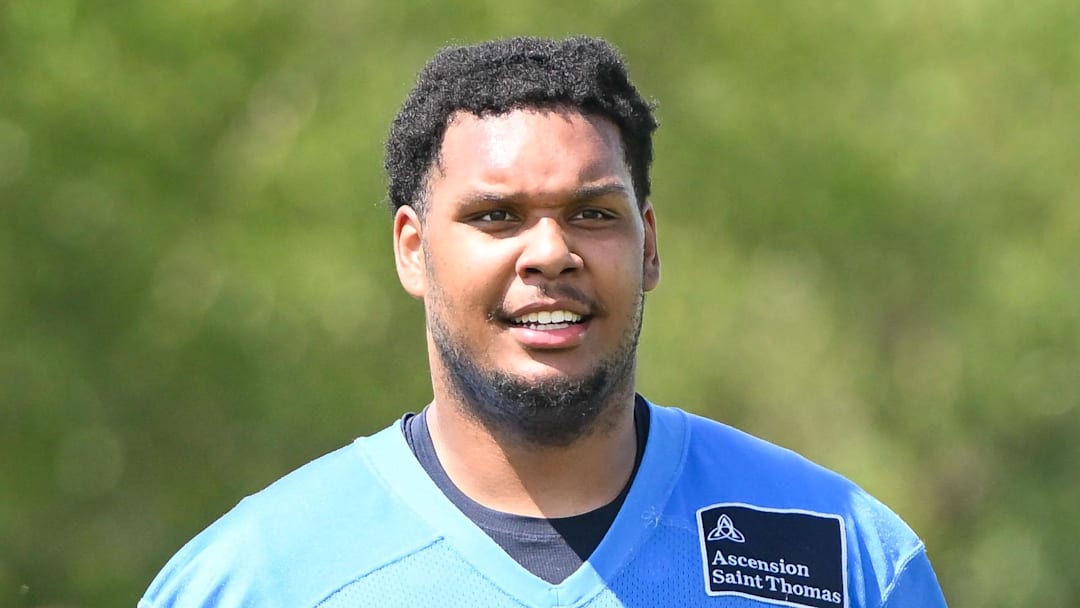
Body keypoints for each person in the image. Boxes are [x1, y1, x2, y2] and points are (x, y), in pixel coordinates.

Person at [139, 36, 948, 607]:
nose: (551, 253)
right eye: (496, 217)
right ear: (413, 251)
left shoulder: (844, 559)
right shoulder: (256, 580)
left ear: (650, 245)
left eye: (593, 214)